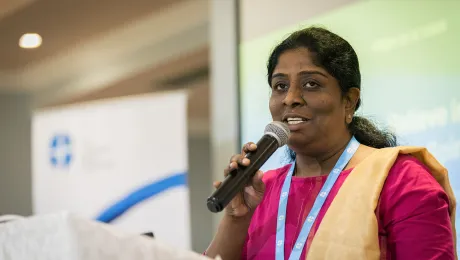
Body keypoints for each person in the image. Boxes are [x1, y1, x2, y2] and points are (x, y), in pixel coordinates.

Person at [205, 27, 456, 260]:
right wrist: (237, 218)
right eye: (280, 86)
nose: (290, 98)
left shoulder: (402, 181)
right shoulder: (260, 189)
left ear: (349, 101)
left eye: (311, 84)